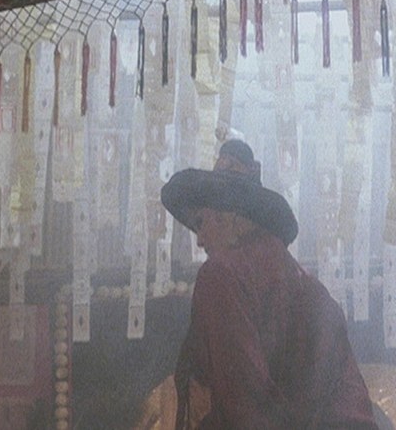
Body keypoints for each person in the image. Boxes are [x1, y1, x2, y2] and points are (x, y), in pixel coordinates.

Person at [161, 139, 379, 429]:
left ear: (228, 217)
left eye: (201, 223)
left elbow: (244, 403)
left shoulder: (220, 275)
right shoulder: (313, 290)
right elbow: (352, 403)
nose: (199, 240)